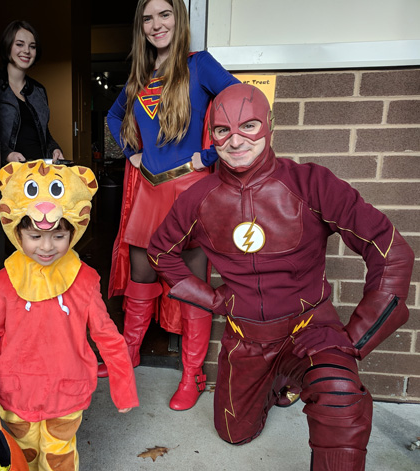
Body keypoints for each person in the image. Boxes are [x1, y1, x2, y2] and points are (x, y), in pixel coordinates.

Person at [147, 83, 414, 470]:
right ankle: (279, 383)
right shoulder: (196, 197)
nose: (236, 140)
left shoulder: (311, 183)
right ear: (212, 135)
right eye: (223, 130)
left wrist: (354, 340)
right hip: (248, 339)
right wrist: (215, 300)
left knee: (339, 392)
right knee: (234, 434)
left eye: (249, 126)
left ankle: (310, 376)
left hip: (309, 328)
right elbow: (160, 252)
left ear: (269, 126)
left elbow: (389, 248)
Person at [100, 0, 239, 412]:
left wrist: (210, 154)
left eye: (165, 14)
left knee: (192, 282)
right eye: (147, 17)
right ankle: (130, 352)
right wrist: (131, 154)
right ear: (140, 26)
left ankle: (193, 372)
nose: (156, 24)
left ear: (179, 19)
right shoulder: (140, 75)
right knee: (142, 273)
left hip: (191, 190)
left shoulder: (200, 64)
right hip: (149, 190)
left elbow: (242, 105)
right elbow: (113, 118)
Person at [0, 160, 138, 471]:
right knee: (21, 458)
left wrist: (123, 385)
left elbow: (106, 335)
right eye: (35, 236)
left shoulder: (84, 280)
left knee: (59, 459)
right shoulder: (5, 281)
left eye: (58, 237)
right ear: (17, 233)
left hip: (66, 395)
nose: (46, 247)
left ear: (73, 232)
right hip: (14, 395)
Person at [0, 20, 64, 164]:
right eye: (19, 44)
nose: (26, 51)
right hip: (10, 173)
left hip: (39, 171)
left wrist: (55, 149)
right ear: (7, 45)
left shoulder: (39, 91)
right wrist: (7, 154)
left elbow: (44, 133)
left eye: (32, 46)